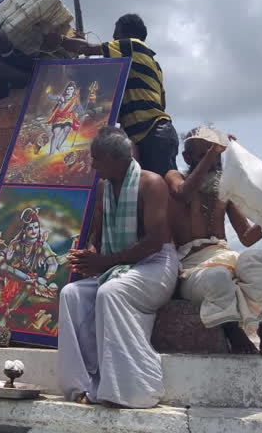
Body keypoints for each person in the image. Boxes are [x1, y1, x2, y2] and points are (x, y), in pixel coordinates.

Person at [59, 127, 179, 408]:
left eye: (96, 159)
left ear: (116, 158)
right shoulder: (104, 188)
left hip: (155, 267)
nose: (93, 165)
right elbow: (96, 237)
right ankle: (82, 386)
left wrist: (105, 262)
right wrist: (88, 256)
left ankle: (127, 390)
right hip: (117, 267)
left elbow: (155, 241)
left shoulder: (152, 183)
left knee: (110, 292)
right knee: (70, 294)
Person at [165, 126, 262, 359]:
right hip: (192, 269)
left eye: (218, 157)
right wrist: (211, 155)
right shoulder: (174, 178)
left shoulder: (224, 192)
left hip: (227, 258)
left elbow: (247, 237)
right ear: (186, 158)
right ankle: (231, 331)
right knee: (218, 277)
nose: (215, 163)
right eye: (204, 155)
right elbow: (182, 194)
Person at [51, 14, 178, 176]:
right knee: (146, 190)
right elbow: (162, 103)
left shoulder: (132, 46)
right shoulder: (155, 66)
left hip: (153, 134)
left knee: (156, 189)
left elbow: (88, 48)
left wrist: (60, 41)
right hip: (154, 135)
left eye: (116, 35)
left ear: (126, 34)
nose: (113, 38)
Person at [46, 81, 84, 154]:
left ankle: (59, 146)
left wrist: (83, 113)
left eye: (71, 89)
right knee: (56, 133)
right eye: (68, 89)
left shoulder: (75, 100)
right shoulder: (61, 97)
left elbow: (80, 110)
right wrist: (48, 93)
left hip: (68, 117)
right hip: (58, 117)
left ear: (74, 90)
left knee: (66, 130)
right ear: (66, 90)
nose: (69, 91)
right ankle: (51, 153)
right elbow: (51, 97)